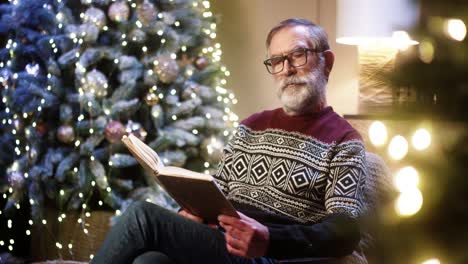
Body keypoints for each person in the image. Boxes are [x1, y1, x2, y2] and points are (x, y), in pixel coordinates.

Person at [92, 18, 368, 264]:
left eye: (298, 55)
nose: (287, 69)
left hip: (266, 255)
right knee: (149, 261)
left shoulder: (344, 140)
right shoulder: (251, 126)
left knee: (142, 217)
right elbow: (219, 188)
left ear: (326, 62)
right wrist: (190, 213)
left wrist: (270, 238)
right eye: (276, 61)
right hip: (217, 242)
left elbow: (346, 230)